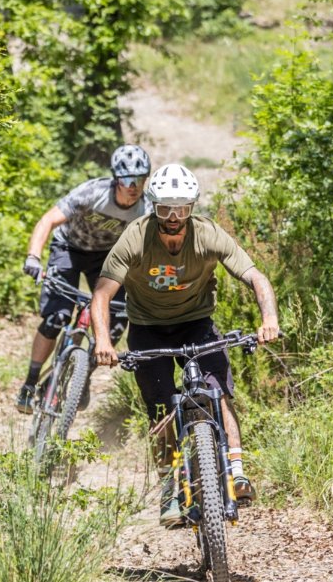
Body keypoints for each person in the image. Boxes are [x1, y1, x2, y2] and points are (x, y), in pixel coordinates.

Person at [90, 163, 280, 526]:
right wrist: (103, 341)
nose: (173, 217)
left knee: (217, 392)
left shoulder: (208, 234)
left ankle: (236, 470)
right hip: (147, 328)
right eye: (164, 209)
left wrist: (269, 319)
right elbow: (101, 293)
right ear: (153, 207)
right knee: (160, 410)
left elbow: (256, 276)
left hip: (196, 323)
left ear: (192, 206)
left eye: (181, 208)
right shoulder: (135, 237)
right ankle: (169, 489)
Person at [16, 144, 153, 413]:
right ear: (116, 179)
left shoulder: (146, 209)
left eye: (140, 178)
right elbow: (48, 220)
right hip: (68, 248)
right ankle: (31, 382)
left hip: (107, 258)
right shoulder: (92, 193)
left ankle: (81, 376)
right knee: (56, 318)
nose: (133, 185)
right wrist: (33, 256)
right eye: (127, 179)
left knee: (116, 321)